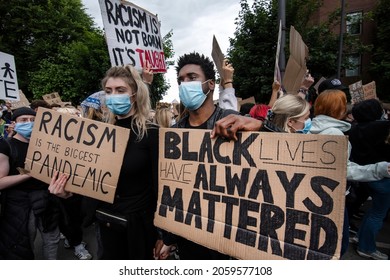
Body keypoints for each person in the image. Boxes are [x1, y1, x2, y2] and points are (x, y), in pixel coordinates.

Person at [49, 65, 159, 260]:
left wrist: (165, 237)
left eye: (120, 90)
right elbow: (91, 186)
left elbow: (161, 189)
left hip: (139, 230)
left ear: (134, 95)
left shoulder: (152, 134)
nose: (113, 95)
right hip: (106, 227)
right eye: (108, 91)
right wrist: (68, 194)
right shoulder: (98, 136)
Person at [156, 52, 240, 260]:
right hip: (187, 238)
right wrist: (168, 238)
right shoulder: (175, 133)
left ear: (210, 85)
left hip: (225, 239)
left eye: (192, 78)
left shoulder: (233, 123)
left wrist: (261, 125)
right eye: (181, 80)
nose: (185, 84)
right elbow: (172, 189)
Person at [309, 89, 390, 258]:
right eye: (343, 104)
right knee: (340, 243)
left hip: (318, 193)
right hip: (333, 196)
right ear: (337, 109)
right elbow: (344, 169)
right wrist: (379, 169)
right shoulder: (334, 134)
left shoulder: (314, 128)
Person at [0, 107, 60, 259]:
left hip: (46, 200)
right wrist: (30, 173)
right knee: (25, 243)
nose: (29, 123)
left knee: (52, 239)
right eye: (24, 120)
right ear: (14, 123)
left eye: (33, 120)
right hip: (20, 205)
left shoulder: (47, 144)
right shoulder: (6, 146)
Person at [348, 99, 390, 260]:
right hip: (381, 176)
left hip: (364, 176)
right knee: (377, 213)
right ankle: (366, 246)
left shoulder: (353, 130)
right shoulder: (383, 128)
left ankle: (362, 236)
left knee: (374, 211)